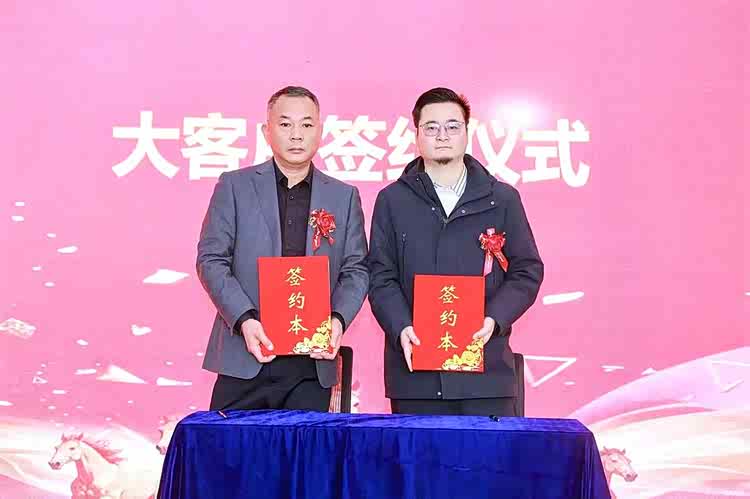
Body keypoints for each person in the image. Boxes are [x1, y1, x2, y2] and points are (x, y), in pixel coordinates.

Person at [367, 87, 543, 416]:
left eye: (452, 126)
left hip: (486, 374)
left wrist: (494, 318)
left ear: (467, 132)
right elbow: (380, 275)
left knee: (488, 452)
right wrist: (401, 326)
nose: (442, 135)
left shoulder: (502, 198)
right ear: (416, 135)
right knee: (417, 453)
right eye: (431, 127)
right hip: (415, 374)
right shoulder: (392, 200)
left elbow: (526, 270)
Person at [197, 86, 368, 412]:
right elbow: (211, 259)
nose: (296, 135)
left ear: (320, 131)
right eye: (285, 124)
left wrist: (337, 319)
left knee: (304, 446)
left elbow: (356, 269)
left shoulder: (343, 197)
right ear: (267, 131)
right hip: (244, 353)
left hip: (311, 365)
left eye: (306, 124)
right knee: (231, 445)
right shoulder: (235, 186)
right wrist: (245, 320)